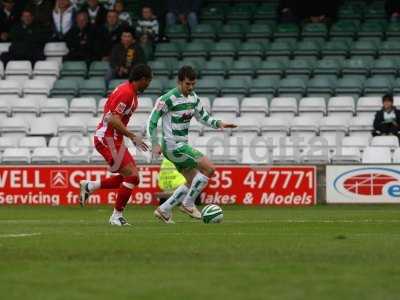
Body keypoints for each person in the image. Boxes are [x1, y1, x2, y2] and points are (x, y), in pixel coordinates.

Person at [147, 65, 237, 224]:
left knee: (192, 181)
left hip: (181, 145)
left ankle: (164, 210)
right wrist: (154, 143)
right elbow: (152, 121)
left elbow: (204, 118)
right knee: (209, 168)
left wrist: (219, 123)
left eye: (193, 84)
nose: (190, 87)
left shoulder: (194, 98)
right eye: (187, 84)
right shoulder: (168, 98)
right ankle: (188, 204)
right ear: (179, 82)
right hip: (173, 146)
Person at [79, 64, 153, 226]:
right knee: (132, 176)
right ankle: (116, 216)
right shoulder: (126, 93)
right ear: (143, 79)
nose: (149, 85)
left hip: (114, 138)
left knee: (133, 177)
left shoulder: (130, 93)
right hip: (107, 139)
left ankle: (90, 186)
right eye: (149, 81)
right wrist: (133, 136)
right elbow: (113, 119)